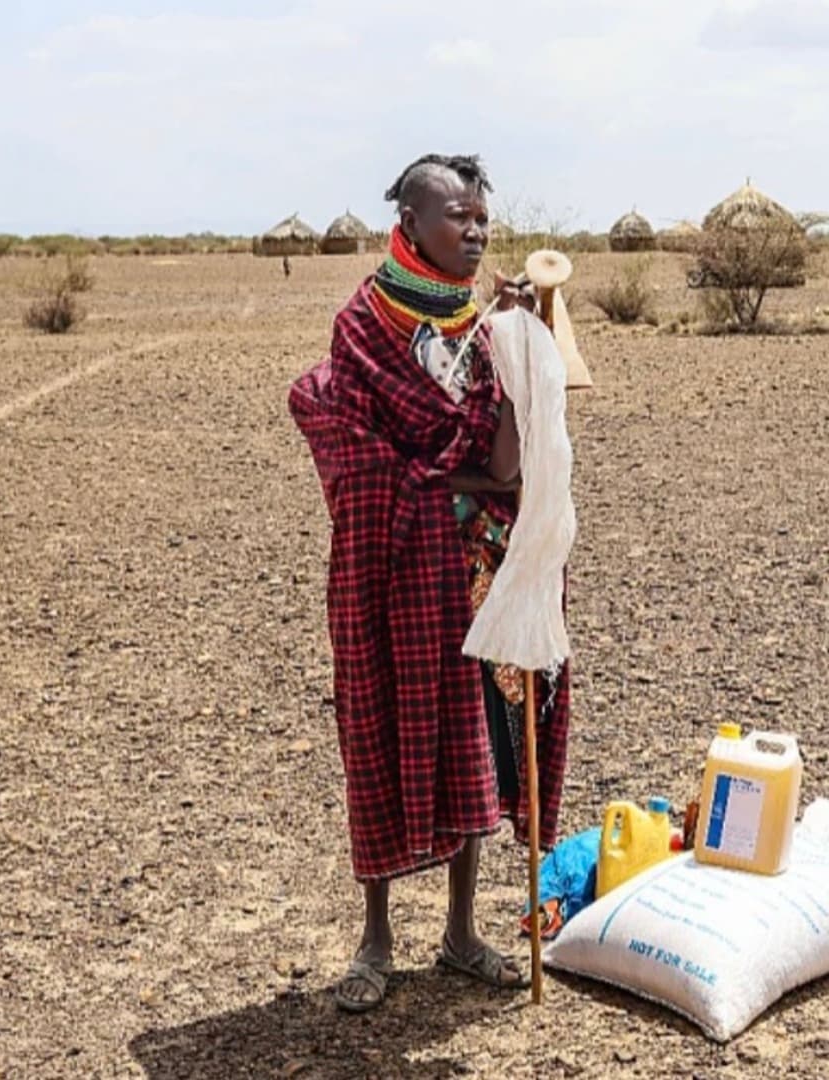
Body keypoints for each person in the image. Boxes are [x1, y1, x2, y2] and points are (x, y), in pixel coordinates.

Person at [289, 153, 571, 1014]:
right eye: (457, 216)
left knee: (472, 736)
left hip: (475, 566)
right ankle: (374, 939)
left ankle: (460, 933)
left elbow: (504, 460)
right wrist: (441, 482)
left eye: (482, 217)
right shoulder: (362, 327)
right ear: (409, 223)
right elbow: (347, 445)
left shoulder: (484, 327)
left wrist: (523, 348)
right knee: (382, 726)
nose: (476, 231)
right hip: (389, 564)